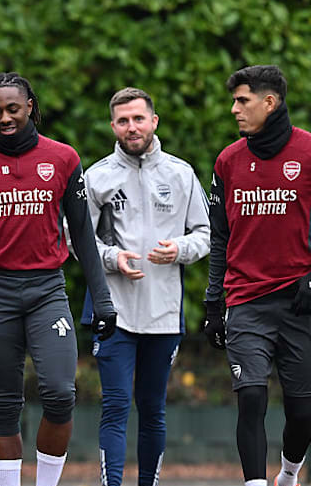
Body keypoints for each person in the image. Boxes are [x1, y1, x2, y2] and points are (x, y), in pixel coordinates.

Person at [0, 72, 117, 486]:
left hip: (47, 292)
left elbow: (84, 236)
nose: (4, 118)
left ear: (30, 108)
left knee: (61, 393)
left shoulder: (63, 159)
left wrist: (104, 300)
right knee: (4, 404)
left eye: (12, 109)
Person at [203, 65, 311, 486]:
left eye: (243, 101)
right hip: (246, 301)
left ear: (269, 102)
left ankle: (289, 475)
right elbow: (220, 236)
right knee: (251, 397)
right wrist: (213, 300)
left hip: (301, 302)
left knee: (302, 413)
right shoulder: (227, 162)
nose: (235, 109)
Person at [82, 87, 210, 486]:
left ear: (154, 121)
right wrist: (111, 258)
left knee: (152, 407)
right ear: (113, 126)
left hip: (164, 313)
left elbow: (207, 234)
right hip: (114, 310)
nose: (131, 127)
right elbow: (76, 237)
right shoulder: (98, 176)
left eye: (139, 119)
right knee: (116, 405)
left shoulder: (181, 173)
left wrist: (180, 249)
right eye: (123, 120)